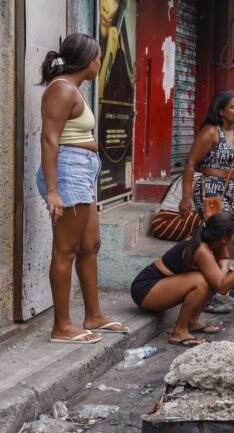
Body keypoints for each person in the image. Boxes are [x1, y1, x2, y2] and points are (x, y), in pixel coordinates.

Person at [36, 33, 130, 344]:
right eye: (98, 57)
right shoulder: (62, 89)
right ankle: (61, 326)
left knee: (90, 245)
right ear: (88, 60)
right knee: (66, 250)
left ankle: (94, 315)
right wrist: (53, 191)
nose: (100, 62)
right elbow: (49, 139)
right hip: (68, 172)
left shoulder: (72, 88)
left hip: (81, 171)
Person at [179, 90, 234, 314]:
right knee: (217, 244)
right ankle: (207, 295)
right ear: (220, 110)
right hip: (211, 191)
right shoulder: (210, 132)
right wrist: (186, 198)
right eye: (233, 107)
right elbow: (190, 164)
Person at [130, 213, 234, 348]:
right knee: (200, 281)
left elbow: (223, 260)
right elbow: (222, 288)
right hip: (145, 290)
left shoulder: (214, 240)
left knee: (209, 278)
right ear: (225, 238)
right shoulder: (201, 249)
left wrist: (223, 269)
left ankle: (192, 322)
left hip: (159, 287)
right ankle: (179, 332)